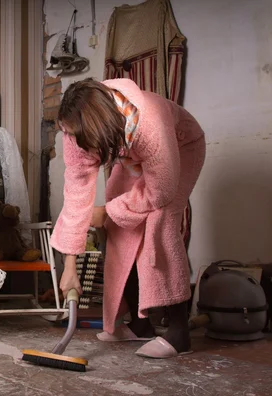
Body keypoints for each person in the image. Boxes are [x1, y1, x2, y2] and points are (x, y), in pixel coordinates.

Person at [51, 78, 205, 359]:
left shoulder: (150, 124)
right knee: (120, 226)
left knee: (161, 220)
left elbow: (160, 192)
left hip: (181, 146)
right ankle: (140, 324)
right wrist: (69, 266)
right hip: (130, 152)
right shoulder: (75, 129)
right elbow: (76, 198)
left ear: (101, 130)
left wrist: (107, 211)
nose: (73, 142)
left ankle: (179, 334)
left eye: (79, 138)